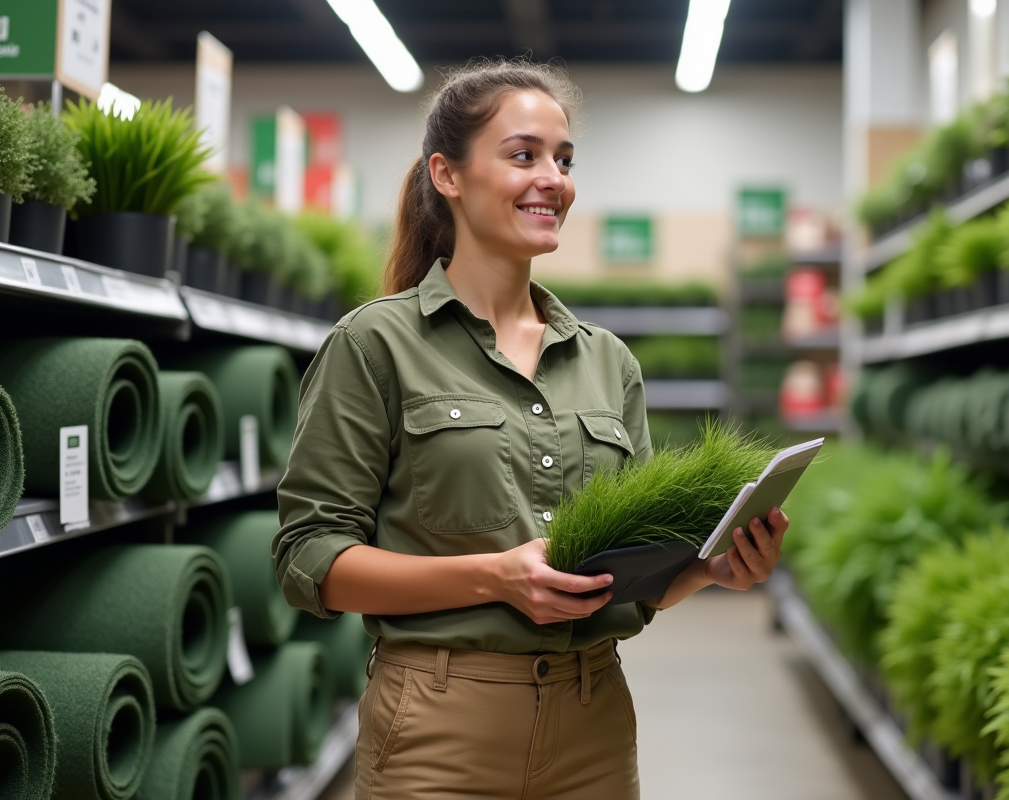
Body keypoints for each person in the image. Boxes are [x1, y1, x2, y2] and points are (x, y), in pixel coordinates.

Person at [273, 59, 791, 800]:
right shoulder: (375, 345)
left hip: (595, 731)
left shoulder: (607, 362)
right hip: (438, 731)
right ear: (447, 175)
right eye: (524, 156)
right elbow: (309, 559)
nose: (554, 178)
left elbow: (632, 582)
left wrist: (711, 567)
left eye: (565, 160)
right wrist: (493, 575)